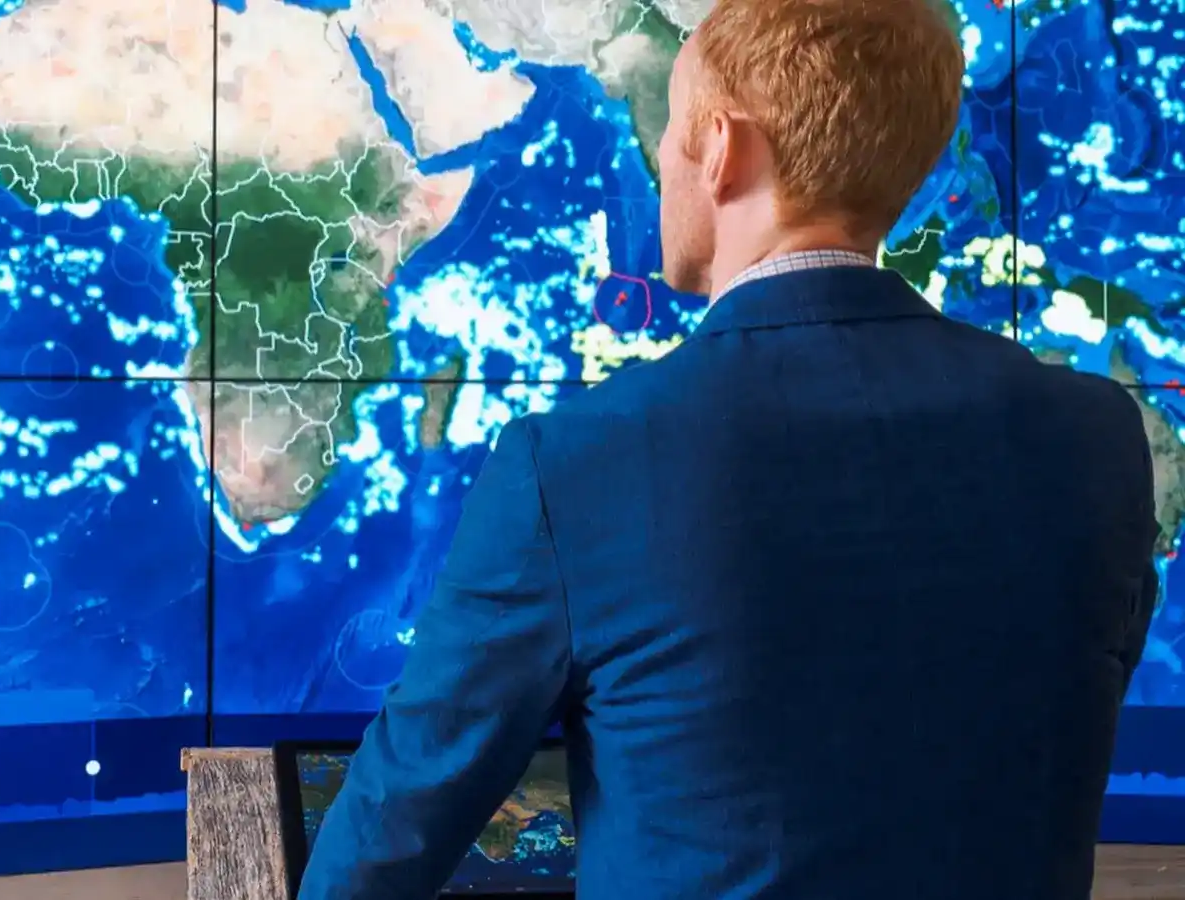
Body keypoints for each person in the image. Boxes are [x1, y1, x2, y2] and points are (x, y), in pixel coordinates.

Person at [299, 0, 1159, 897]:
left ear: (722, 148)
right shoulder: (1094, 440)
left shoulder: (577, 467)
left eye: (673, 130)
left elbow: (388, 838)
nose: (663, 158)